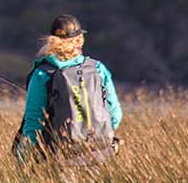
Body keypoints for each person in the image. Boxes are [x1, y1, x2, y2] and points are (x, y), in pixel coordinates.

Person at [13, 14, 122, 166]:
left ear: (52, 41)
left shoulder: (42, 74)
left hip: (58, 159)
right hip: (100, 156)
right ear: (80, 40)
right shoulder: (98, 68)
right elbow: (115, 114)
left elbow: (33, 124)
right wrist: (99, 137)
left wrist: (21, 160)